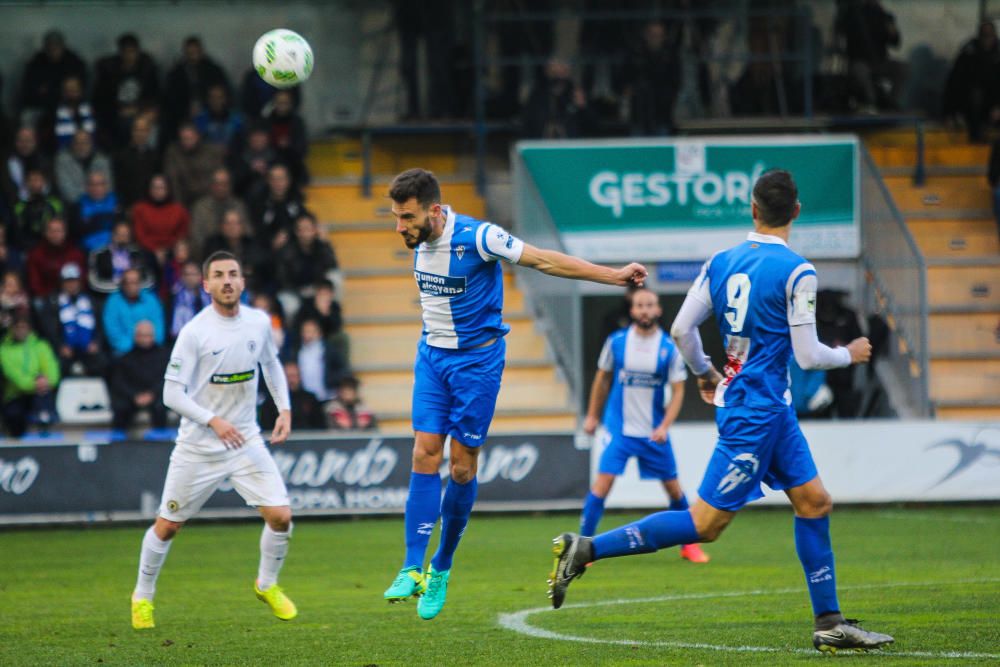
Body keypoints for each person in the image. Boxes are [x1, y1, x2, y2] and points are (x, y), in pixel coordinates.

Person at [546, 170, 894, 654]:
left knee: (814, 502)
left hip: (764, 409)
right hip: (758, 413)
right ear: (796, 212)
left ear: (752, 209)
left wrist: (707, 373)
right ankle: (586, 549)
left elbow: (682, 330)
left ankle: (829, 622)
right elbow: (810, 355)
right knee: (705, 524)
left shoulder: (720, 262)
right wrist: (848, 352)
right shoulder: (798, 272)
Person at [382, 168, 647, 620]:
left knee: (462, 469)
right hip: (432, 356)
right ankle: (411, 567)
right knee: (425, 453)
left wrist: (613, 276)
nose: (400, 227)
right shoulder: (419, 241)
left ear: (434, 210)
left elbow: (543, 260)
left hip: (477, 365)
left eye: (406, 217)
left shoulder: (480, 237)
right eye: (396, 217)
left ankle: (441, 566)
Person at [130, 250, 296, 630]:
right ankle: (142, 596)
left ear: (243, 281)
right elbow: (171, 394)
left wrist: (283, 409)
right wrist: (213, 420)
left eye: (233, 274)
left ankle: (266, 585)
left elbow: (270, 364)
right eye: (218, 275)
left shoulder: (257, 322)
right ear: (205, 285)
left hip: (245, 439)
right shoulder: (194, 332)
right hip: (199, 446)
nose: (227, 280)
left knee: (281, 517)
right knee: (168, 525)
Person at [578, 288, 708, 563]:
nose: (645, 310)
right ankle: (584, 546)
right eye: (640, 305)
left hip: (653, 433)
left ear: (658, 310)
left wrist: (665, 426)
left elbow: (679, 391)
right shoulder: (616, 342)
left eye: (650, 305)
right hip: (619, 429)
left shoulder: (668, 347)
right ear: (632, 310)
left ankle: (689, 546)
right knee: (602, 484)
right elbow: (602, 380)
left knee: (674, 489)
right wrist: (592, 415)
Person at [37, 262, 107, 378]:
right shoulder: (53, 302)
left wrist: (96, 343)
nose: (71, 284)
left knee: (103, 362)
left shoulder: (91, 301)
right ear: (62, 283)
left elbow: (100, 326)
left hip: (89, 348)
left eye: (74, 280)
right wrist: (59, 346)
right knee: (56, 366)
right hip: (64, 349)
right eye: (68, 281)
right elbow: (49, 330)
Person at [93, 33, 161, 149]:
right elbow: (101, 99)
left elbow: (155, 95)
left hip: (141, 111)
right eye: (126, 52)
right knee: (122, 126)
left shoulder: (147, 68)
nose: (129, 56)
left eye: (132, 51)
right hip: (116, 113)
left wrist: (142, 109)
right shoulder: (109, 70)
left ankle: (147, 156)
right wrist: (119, 110)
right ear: (120, 52)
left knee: (151, 126)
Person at [0, 314, 60, 438]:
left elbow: (52, 369)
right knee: (14, 416)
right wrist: (35, 383)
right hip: (15, 395)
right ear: (12, 329)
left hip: (40, 392)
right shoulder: (5, 350)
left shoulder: (40, 346)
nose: (21, 331)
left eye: (24, 328)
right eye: (18, 328)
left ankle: (45, 430)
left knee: (43, 400)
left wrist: (45, 381)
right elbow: (14, 376)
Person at [109, 320, 169, 432]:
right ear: (135, 336)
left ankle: (161, 444)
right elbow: (119, 382)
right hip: (133, 396)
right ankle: (118, 445)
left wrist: (152, 394)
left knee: (161, 406)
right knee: (120, 407)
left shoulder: (165, 356)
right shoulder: (126, 358)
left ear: (153, 336)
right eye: (141, 335)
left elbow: (167, 379)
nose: (145, 339)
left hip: (157, 395)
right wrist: (134, 396)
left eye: (148, 335)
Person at [102, 267, 164, 356]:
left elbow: (158, 330)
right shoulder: (113, 301)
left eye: (135, 282)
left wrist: (147, 345)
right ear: (123, 284)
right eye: (128, 283)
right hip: (124, 353)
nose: (132, 286)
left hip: (150, 350)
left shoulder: (151, 300)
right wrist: (134, 349)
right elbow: (113, 333)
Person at [189, 167, 248, 259]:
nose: (221, 188)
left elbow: (247, 232)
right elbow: (196, 237)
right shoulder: (201, 207)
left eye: (224, 184)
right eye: (217, 184)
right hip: (208, 254)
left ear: (230, 185)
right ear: (212, 185)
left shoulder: (238, 206)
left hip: (237, 254)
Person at [132, 174, 191, 266]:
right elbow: (140, 235)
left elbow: (182, 234)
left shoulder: (179, 210)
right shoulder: (140, 209)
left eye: (161, 187)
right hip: (147, 250)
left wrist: (165, 250)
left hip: (172, 249)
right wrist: (155, 250)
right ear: (149, 189)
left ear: (168, 189)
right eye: (154, 187)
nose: (157, 191)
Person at [163, 123, 225, 208]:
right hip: (184, 197)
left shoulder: (211, 152)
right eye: (184, 139)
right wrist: (178, 204)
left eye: (190, 138)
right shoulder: (174, 153)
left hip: (208, 197)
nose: (187, 141)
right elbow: (173, 180)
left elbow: (219, 176)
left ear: (197, 136)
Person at [88, 220, 156, 294]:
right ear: (113, 235)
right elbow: (93, 282)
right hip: (106, 294)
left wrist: (133, 287)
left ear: (130, 237)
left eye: (125, 235)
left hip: (134, 296)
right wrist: (121, 288)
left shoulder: (139, 254)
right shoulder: (98, 254)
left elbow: (150, 280)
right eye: (119, 234)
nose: (122, 238)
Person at [27, 217, 85, 301]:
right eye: (52, 231)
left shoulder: (75, 253)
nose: (55, 234)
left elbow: (82, 278)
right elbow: (35, 283)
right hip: (47, 298)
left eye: (58, 231)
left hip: (73, 295)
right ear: (46, 233)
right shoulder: (36, 254)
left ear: (65, 232)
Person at [260, 361, 325, 431]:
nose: (291, 380)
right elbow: (266, 428)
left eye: (294, 376)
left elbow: (320, 426)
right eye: (288, 376)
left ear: (299, 377)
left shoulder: (311, 399)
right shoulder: (271, 401)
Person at [113, 115, 160, 210]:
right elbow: (118, 184)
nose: (140, 133)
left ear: (148, 132)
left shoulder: (156, 156)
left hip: (151, 206)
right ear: (132, 131)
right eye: (137, 130)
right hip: (128, 206)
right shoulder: (121, 156)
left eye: (143, 130)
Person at [54, 129, 114, 205]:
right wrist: (88, 200)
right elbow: (66, 190)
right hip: (73, 205)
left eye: (85, 142)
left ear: (91, 143)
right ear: (72, 144)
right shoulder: (63, 160)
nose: (82, 146)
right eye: (78, 143)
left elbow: (108, 186)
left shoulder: (101, 160)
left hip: (103, 204)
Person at [72, 170, 119, 252]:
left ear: (106, 186)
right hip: (88, 251)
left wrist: (93, 220)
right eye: (93, 185)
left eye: (100, 184)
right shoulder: (78, 205)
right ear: (87, 187)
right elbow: (78, 231)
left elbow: (120, 226)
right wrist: (106, 218)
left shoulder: (116, 201)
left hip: (115, 250)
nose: (97, 188)